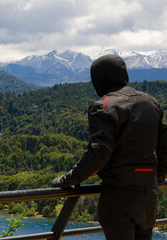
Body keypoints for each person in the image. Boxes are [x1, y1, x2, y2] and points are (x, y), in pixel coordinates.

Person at [51, 54, 167, 240]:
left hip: (119, 194)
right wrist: (159, 175)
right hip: (149, 195)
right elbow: (164, 144)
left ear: (99, 79)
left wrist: (68, 179)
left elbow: (98, 155)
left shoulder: (102, 107)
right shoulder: (150, 102)